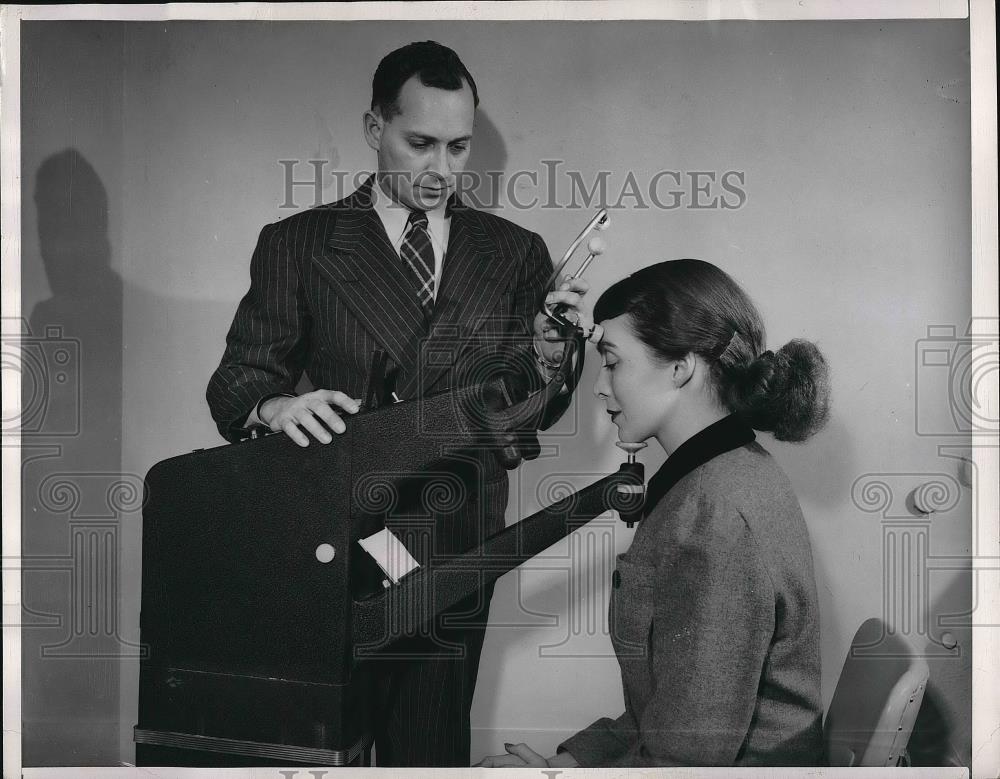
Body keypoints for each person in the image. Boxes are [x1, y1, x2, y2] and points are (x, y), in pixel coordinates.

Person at [205, 41, 588, 767]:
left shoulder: (514, 253)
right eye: (420, 143)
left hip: (451, 547)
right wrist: (276, 407)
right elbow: (236, 379)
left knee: (427, 755)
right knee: (320, 753)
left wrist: (545, 350)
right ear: (374, 127)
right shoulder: (300, 244)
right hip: (330, 543)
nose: (442, 170)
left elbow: (523, 414)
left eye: (459, 146)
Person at [478, 258, 830, 768]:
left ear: (681, 367)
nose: (599, 387)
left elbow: (688, 758)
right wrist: (570, 763)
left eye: (614, 362)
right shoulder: (721, 478)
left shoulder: (717, 512)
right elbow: (674, 711)